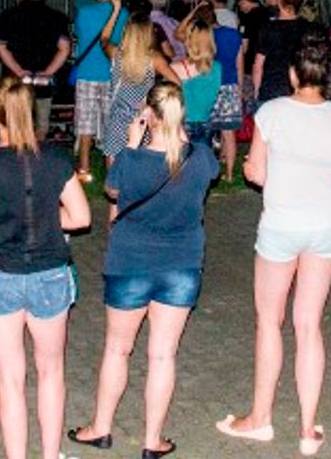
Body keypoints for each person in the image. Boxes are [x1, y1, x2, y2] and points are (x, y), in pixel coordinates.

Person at [69, 82, 220, 459]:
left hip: (130, 263)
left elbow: (113, 192)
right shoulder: (201, 157)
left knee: (117, 349)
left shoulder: (132, 160)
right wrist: (180, 136)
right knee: (163, 355)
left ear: (148, 116)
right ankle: (152, 441)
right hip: (182, 265)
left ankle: (101, 428)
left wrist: (132, 144)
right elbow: (208, 173)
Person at [218, 41, 331, 455]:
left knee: (269, 322)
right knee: (309, 325)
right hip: (325, 225)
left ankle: (260, 418)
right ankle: (308, 431)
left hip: (281, 225)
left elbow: (257, 173)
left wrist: (251, 168)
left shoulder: (272, 112)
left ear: (294, 74)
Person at [0, 78, 91, 459]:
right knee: (51, 373)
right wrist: (45, 219)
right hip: (49, 273)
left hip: (1, 274)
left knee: (10, 382)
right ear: (31, 114)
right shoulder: (56, 160)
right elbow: (80, 218)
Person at [0, 0, 72, 138]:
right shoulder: (56, 17)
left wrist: (18, 70)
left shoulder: (9, 15)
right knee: (41, 127)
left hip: (16, 81)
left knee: (16, 124)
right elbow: (64, 49)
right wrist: (48, 72)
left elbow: (0, 47)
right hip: (43, 81)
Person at [101, 16, 178, 163]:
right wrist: (156, 99)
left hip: (118, 115)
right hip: (143, 118)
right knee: (143, 162)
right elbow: (176, 84)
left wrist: (115, 11)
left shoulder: (115, 53)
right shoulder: (155, 59)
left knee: (114, 159)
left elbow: (104, 39)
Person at [71, 0, 126, 181]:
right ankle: (110, 168)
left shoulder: (84, 12)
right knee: (111, 122)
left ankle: (84, 168)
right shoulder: (123, 13)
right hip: (112, 72)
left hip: (87, 72)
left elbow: (78, 35)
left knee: (86, 123)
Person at [253, 0, 316, 104]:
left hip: (272, 89)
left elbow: (258, 65)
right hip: (299, 89)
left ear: (279, 0)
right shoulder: (308, 28)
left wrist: (256, 91)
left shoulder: (268, 28)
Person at [209, 0, 247, 182]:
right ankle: (230, 173)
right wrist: (240, 88)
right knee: (228, 132)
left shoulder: (204, 36)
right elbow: (240, 64)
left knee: (208, 130)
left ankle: (211, 168)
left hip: (210, 86)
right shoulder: (233, 34)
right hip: (230, 84)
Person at [173, 6, 223, 142]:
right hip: (207, 122)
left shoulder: (176, 68)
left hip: (183, 123)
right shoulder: (217, 67)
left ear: (189, 40)